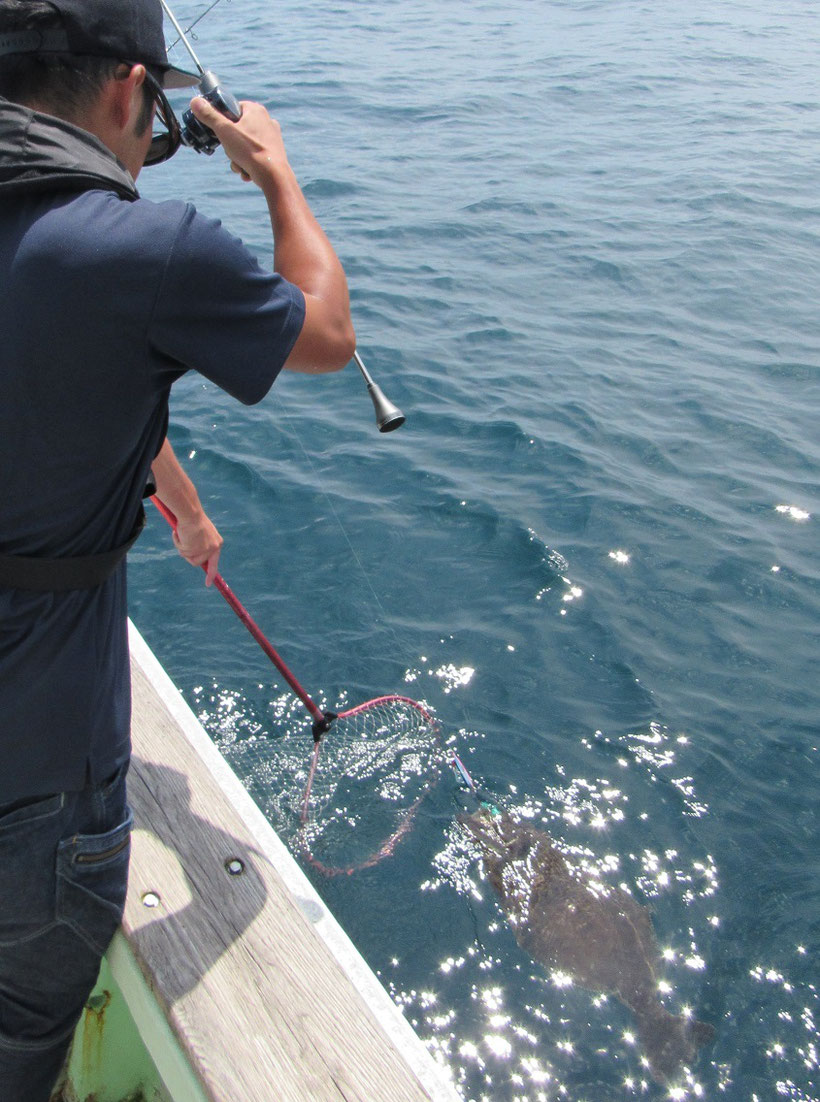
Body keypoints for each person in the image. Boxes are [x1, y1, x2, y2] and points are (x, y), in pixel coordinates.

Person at [0, 0, 355, 1097]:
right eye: (152, 122)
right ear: (125, 90)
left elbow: (58, 366)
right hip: (38, 775)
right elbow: (326, 332)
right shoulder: (146, 248)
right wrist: (276, 176)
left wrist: (185, 508)